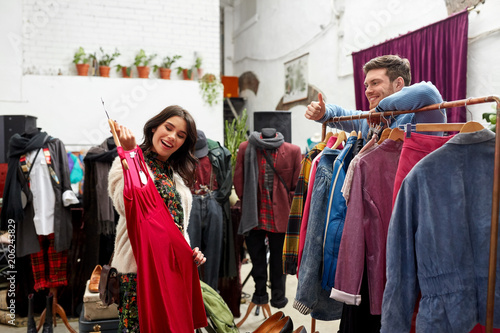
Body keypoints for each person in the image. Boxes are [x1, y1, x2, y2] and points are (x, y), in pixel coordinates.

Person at [108, 105, 207, 332]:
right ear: (154, 127)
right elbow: (129, 205)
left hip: (173, 273)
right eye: (168, 128)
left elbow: (178, 227)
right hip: (137, 272)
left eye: (180, 135)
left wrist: (190, 250)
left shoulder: (175, 175)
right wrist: (131, 158)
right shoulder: (124, 162)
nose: (172, 137)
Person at [305, 55, 446, 137]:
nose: (368, 91)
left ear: (398, 84)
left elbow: (427, 92)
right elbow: (340, 113)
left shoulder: (420, 117)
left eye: (375, 83)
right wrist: (323, 112)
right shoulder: (368, 121)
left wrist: (379, 111)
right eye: (367, 85)